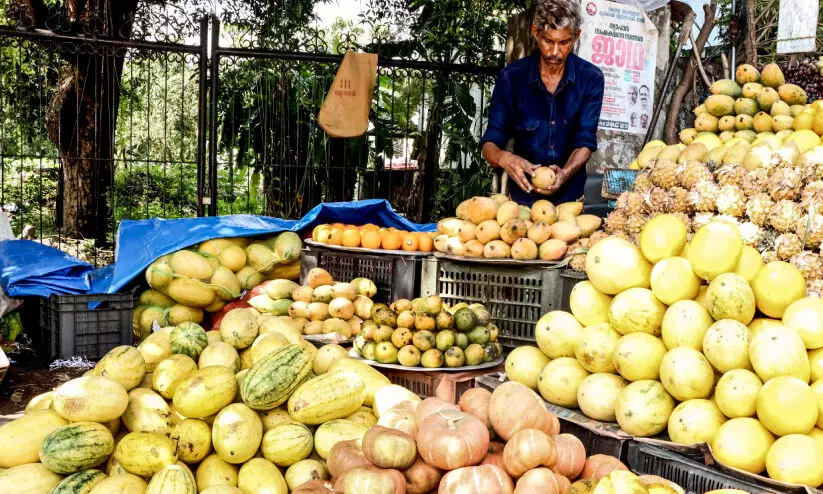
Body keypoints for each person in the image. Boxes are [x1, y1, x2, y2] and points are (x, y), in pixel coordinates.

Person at [481, 0, 605, 206]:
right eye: (548, 41)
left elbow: (585, 142)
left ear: (575, 37)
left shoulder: (591, 78)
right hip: (522, 199)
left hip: (571, 199)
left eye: (564, 42)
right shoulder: (512, 79)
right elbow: (489, 144)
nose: (555, 52)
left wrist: (564, 174)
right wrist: (505, 159)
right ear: (535, 32)